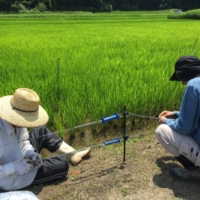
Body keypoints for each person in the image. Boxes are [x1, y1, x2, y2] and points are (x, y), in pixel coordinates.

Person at [0, 88, 91, 191]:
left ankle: (71, 153)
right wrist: (14, 167)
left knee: (40, 131)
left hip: (21, 160)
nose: (25, 123)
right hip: (10, 178)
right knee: (62, 165)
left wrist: (30, 153)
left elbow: (24, 141)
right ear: (14, 116)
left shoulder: (18, 122)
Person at [156, 55, 200, 181]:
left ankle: (195, 171)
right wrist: (176, 113)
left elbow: (185, 127)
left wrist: (166, 121)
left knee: (162, 131)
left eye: (180, 78)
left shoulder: (193, 86)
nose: (181, 83)